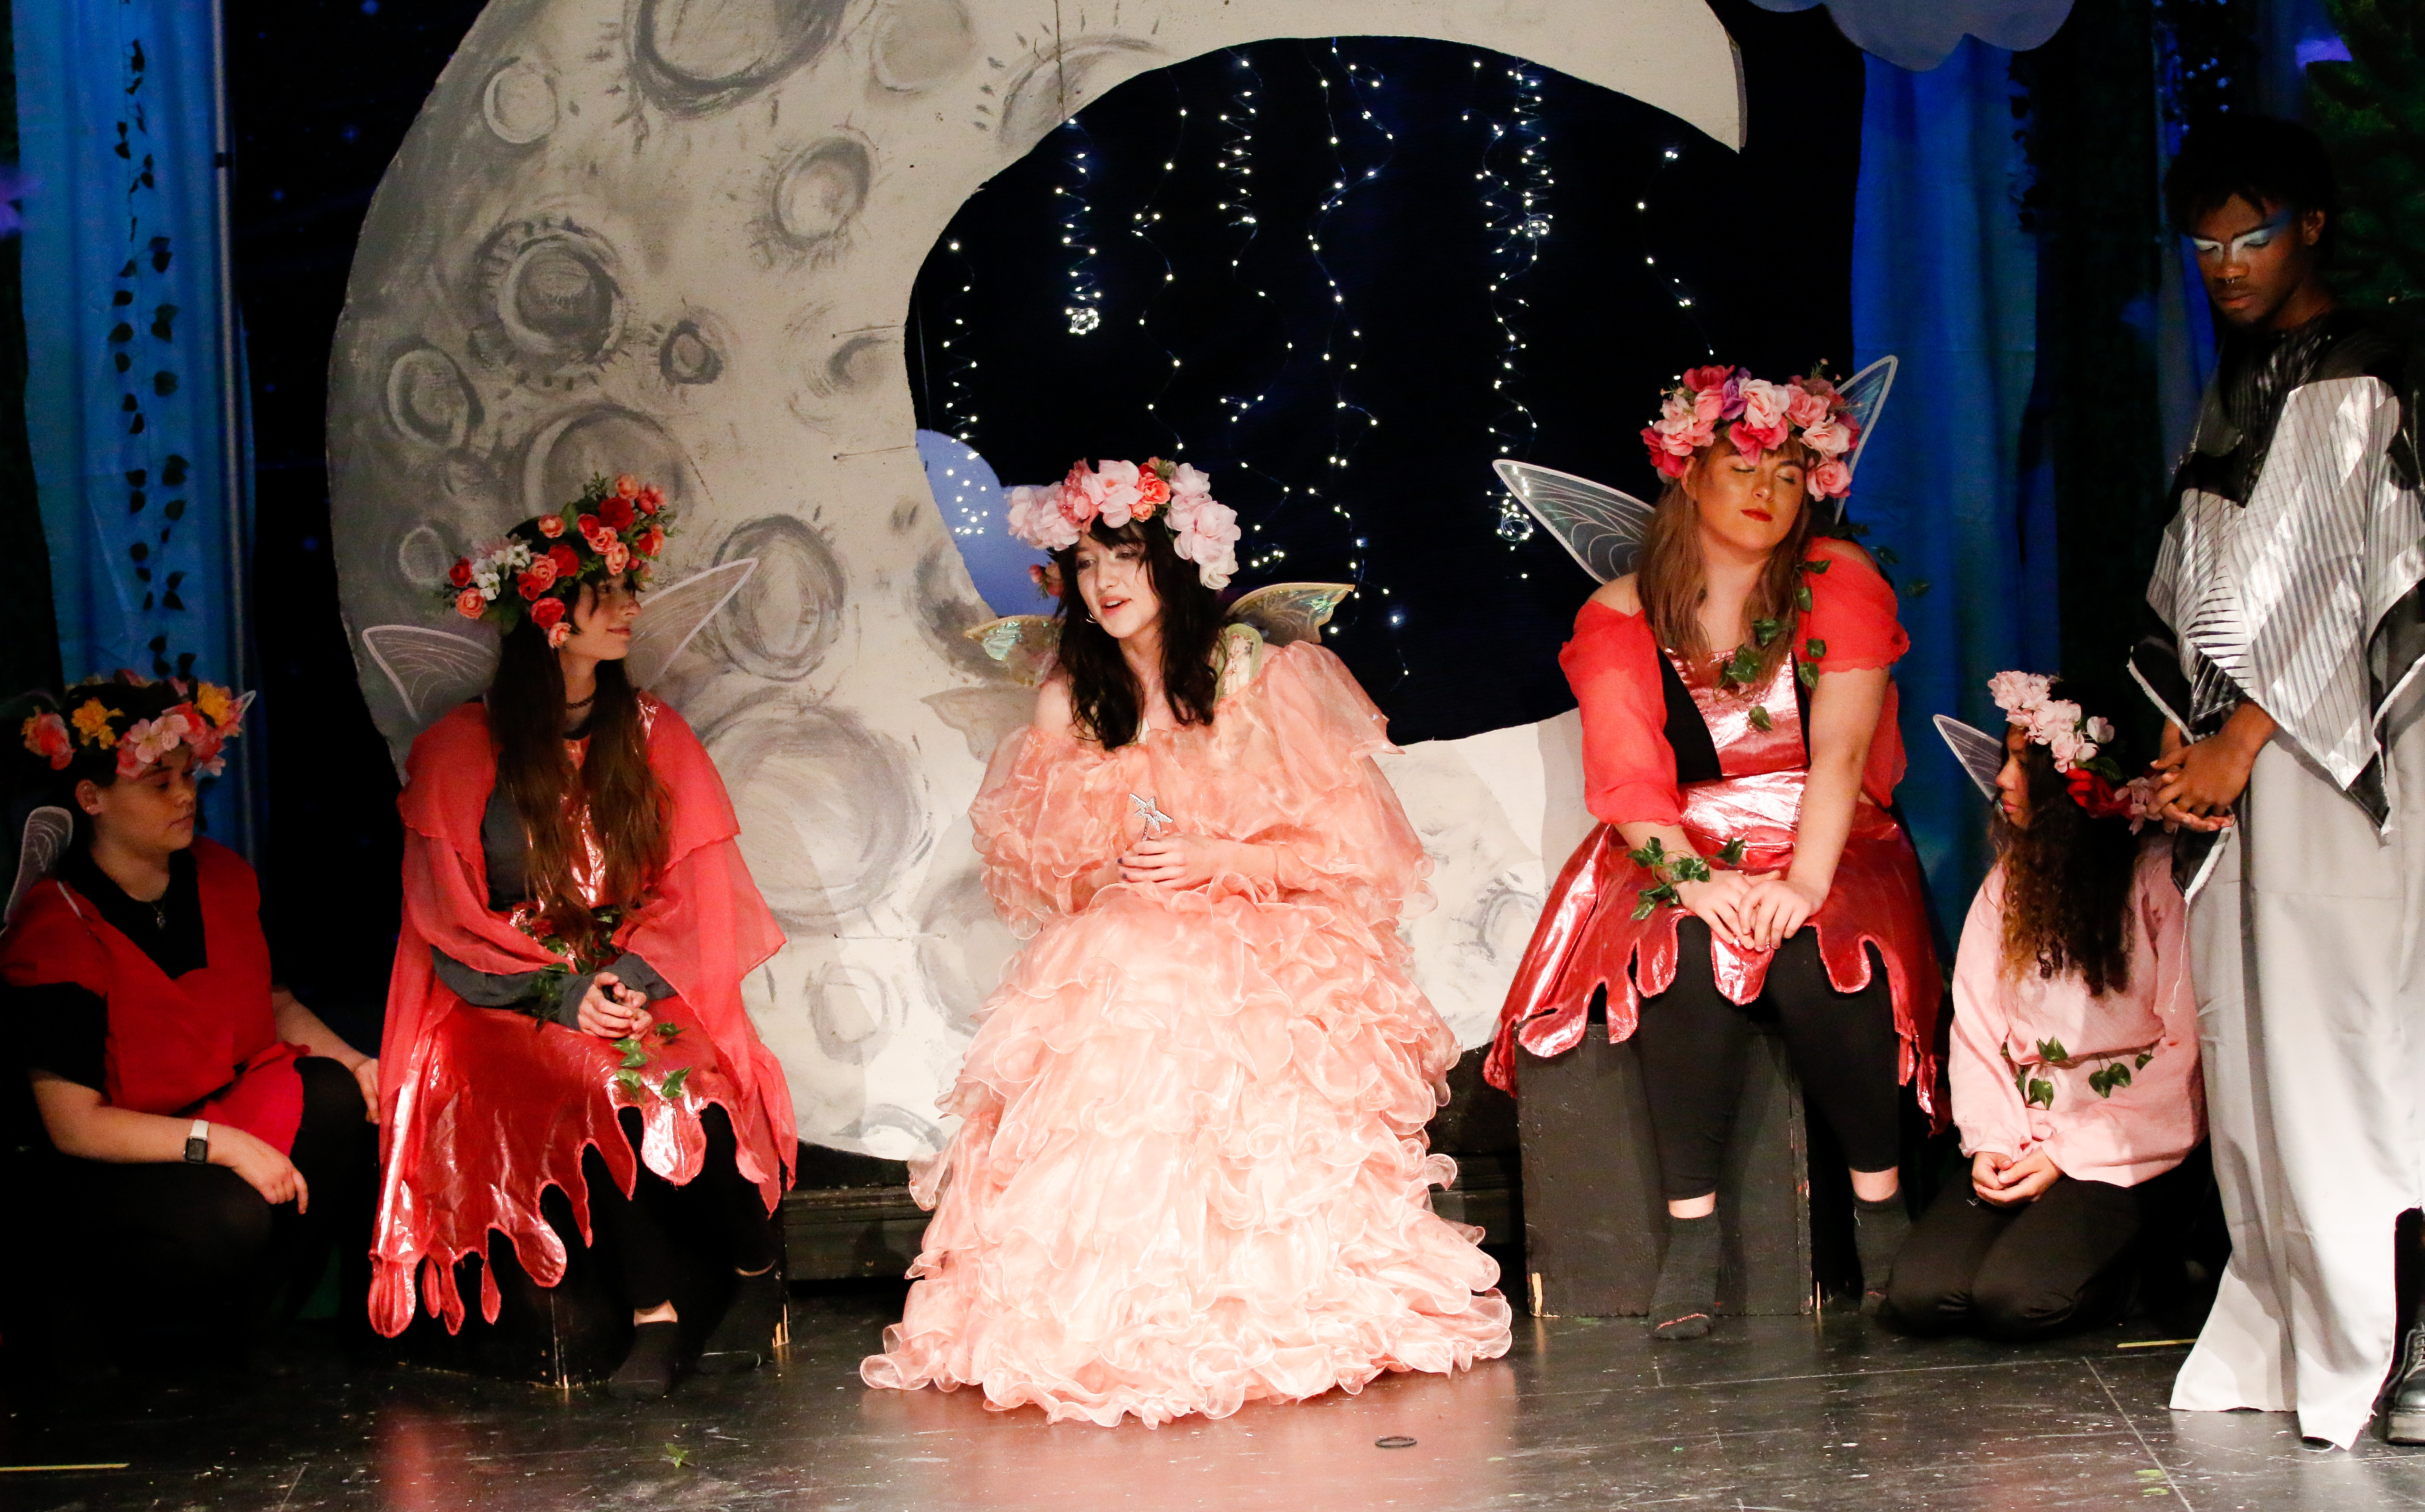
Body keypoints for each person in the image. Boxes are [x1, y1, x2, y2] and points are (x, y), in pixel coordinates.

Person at [861, 457, 1511, 1426]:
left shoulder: (1264, 677)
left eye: (1125, 556)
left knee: (1166, 976)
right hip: (1140, 942)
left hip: (1268, 937)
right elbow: (1054, 886)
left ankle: (1272, 1296)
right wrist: (1124, 862)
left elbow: (1353, 853)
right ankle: (1120, 1306)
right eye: (1085, 564)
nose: (1105, 582)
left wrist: (1222, 860)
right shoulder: (1070, 705)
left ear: (1177, 562)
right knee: (1117, 964)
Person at [1487, 366, 1942, 1339]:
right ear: (1688, 475)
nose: (1765, 491)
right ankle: (1691, 1234)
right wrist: (1702, 883)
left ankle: (1881, 1209)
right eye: (1743, 466)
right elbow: (1628, 786)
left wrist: (1805, 880)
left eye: (1787, 471)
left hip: (1830, 826)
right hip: (1681, 843)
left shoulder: (1837, 581)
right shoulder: (1621, 615)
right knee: (1682, 961)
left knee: (1830, 956)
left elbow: (1846, 751)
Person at [373, 475, 795, 1400]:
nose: (633, 611)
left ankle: (759, 1263)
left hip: (634, 972)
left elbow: (694, 891)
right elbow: (450, 922)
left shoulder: (650, 733)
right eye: (613, 595)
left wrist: (627, 978)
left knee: (678, 1072)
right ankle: (657, 1316)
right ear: (553, 618)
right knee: (593, 1077)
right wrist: (561, 995)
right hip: (503, 991)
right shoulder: (459, 749)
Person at [2143, 117, 2425, 1447]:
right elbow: (2208, 583)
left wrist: (2238, 739)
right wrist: (2182, 737)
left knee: (2358, 1037)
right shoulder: (2242, 384)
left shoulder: (2362, 370)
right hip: (2249, 764)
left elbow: (2341, 582)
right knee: (2263, 1049)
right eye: (2204, 244)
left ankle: (2400, 1337)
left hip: (2341, 756)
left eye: (2251, 235)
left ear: (2311, 225)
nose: (2226, 263)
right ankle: (2309, 1321)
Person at [2, 672, 380, 1364]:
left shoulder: (223, 876)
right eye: (159, 784)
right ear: (92, 799)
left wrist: (359, 1065)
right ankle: (116, 1333)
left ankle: (253, 1325)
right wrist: (223, 1145)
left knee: (337, 1094)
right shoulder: (59, 927)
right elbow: (73, 1124)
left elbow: (276, 1004)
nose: (185, 797)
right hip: (111, 1159)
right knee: (226, 1219)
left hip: (212, 1107)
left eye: (188, 776)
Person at [1887, 674, 2206, 1339]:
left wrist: (2067, 1155)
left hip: (2129, 1143)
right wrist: (1995, 1143)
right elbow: (1977, 1028)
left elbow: (2187, 1050)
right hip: (2028, 1132)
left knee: (2018, 1301)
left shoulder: (2155, 879)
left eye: (2020, 763)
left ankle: (2161, 1268)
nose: (2002, 779)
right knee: (1924, 1296)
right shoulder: (2009, 884)